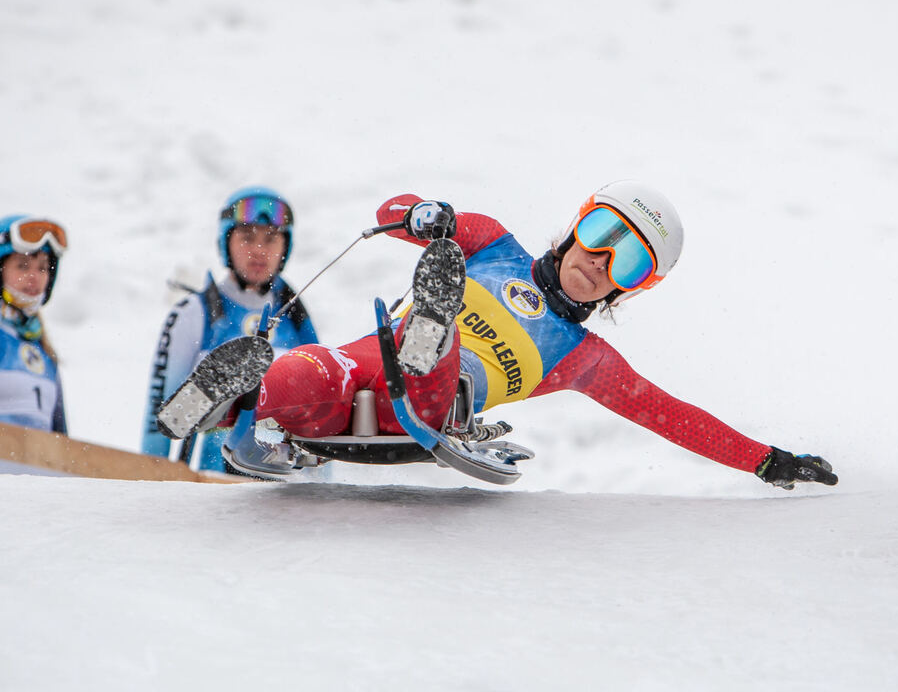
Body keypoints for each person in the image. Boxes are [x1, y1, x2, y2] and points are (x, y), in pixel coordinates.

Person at [159, 181, 837, 490]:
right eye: (601, 235)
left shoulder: (584, 358)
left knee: (437, 367)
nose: (600, 260)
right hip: (360, 363)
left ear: (632, 287)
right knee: (308, 375)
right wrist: (423, 216)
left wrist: (765, 459)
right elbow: (389, 213)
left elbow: (672, 417)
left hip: (428, 401)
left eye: (627, 261)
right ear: (577, 225)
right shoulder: (489, 244)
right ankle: (238, 399)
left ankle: (432, 325)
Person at [141, 186, 319, 474]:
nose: (259, 250)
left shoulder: (297, 317)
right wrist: (151, 483)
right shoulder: (194, 312)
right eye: (247, 237)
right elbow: (158, 420)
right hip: (213, 496)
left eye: (271, 239)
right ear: (226, 242)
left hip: (286, 500)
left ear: (285, 247)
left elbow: (318, 419)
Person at [0, 215, 68, 434]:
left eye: (42, 268)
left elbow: (62, 443)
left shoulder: (44, 352)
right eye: (22, 266)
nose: (34, 277)